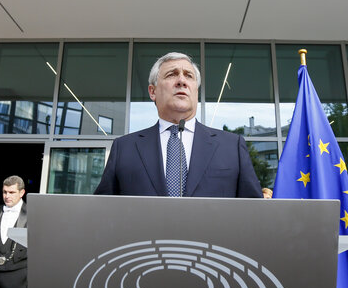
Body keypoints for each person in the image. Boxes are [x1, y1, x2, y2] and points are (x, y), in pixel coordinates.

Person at [95, 52, 261, 198]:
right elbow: (102, 212)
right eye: (171, 75)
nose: (182, 80)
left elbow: (255, 214)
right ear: (152, 92)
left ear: (196, 91)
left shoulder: (232, 146)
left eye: (189, 76)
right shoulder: (124, 148)